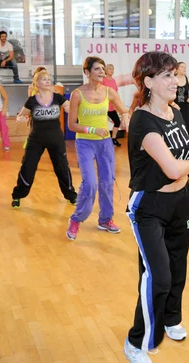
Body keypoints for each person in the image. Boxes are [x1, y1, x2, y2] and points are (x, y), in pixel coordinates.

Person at [123, 51, 189, 363]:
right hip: (149, 205)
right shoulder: (142, 121)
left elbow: (182, 161)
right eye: (166, 76)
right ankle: (136, 342)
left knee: (177, 269)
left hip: (178, 201)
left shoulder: (174, 113)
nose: (174, 81)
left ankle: (171, 319)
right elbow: (175, 167)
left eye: (174, 74)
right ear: (148, 82)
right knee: (157, 275)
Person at [65, 56, 129, 241]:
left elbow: (123, 110)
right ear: (87, 72)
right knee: (90, 183)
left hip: (104, 143)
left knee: (107, 181)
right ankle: (76, 219)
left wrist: (125, 116)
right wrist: (93, 129)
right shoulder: (77, 94)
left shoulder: (109, 92)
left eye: (103, 68)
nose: (102, 72)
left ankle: (105, 219)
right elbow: (72, 126)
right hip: (84, 142)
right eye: (97, 69)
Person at [11, 69, 77, 207]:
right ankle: (18, 195)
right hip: (36, 139)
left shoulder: (58, 97)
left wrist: (73, 108)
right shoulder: (32, 101)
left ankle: (71, 195)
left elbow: (70, 108)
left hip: (56, 139)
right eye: (44, 79)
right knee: (27, 167)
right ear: (37, 83)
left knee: (62, 167)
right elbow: (21, 115)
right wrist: (21, 118)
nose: (48, 81)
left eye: (48, 79)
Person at [170, 62, 189, 134]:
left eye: (185, 67)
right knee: (174, 126)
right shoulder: (172, 79)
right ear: (177, 69)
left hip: (186, 107)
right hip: (174, 106)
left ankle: (186, 142)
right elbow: (167, 95)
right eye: (182, 67)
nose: (184, 69)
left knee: (186, 126)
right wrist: (173, 104)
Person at [102, 64, 122, 147]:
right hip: (103, 106)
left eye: (112, 69)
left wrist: (118, 104)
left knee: (117, 122)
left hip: (111, 106)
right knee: (102, 123)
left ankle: (113, 139)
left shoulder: (113, 81)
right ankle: (102, 141)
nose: (111, 70)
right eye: (109, 68)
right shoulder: (103, 80)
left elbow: (115, 93)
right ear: (105, 71)